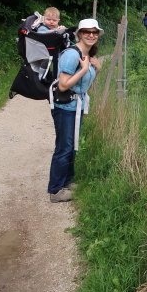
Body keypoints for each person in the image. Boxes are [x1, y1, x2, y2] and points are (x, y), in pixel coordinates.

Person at [48, 18, 103, 202]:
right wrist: (83, 69)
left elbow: (83, 83)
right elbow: (63, 85)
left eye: (95, 32)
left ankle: (67, 181)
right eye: (87, 31)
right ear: (79, 33)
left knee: (72, 146)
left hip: (76, 106)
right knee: (64, 147)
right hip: (65, 107)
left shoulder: (88, 54)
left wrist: (97, 68)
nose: (91, 35)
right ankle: (56, 190)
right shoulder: (72, 55)